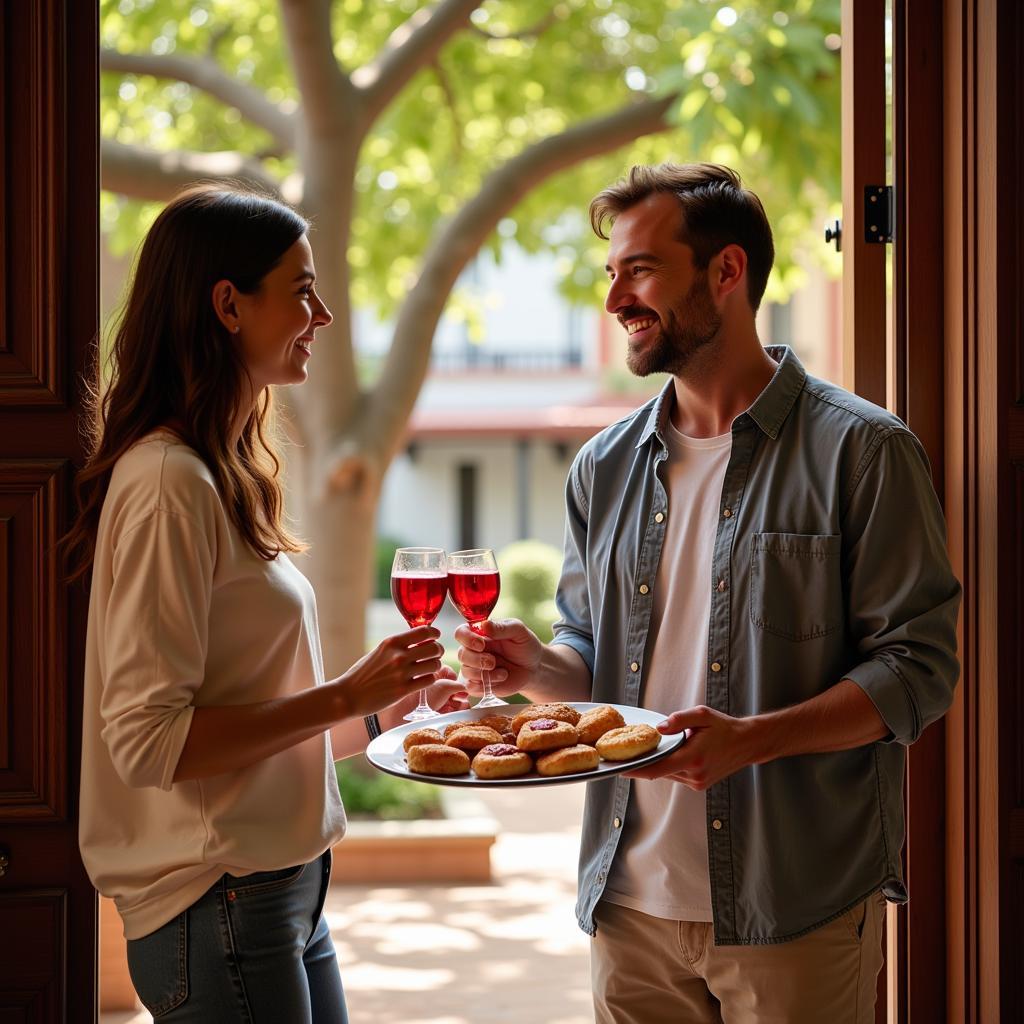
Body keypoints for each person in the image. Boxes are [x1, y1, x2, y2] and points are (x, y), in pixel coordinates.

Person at [456, 163, 961, 1023]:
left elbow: (918, 672)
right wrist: (535, 665)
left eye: (641, 270)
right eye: (611, 273)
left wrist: (753, 740)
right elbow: (597, 670)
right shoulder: (603, 468)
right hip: (629, 908)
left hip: (795, 908)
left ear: (726, 273)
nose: (616, 299)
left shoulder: (864, 452)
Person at [64, 184, 465, 1022]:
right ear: (229, 305)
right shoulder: (171, 483)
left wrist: (390, 716)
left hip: (277, 896)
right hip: (218, 907)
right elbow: (149, 744)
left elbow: (261, 730)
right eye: (303, 290)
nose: (320, 315)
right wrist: (346, 693)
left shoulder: (219, 476)